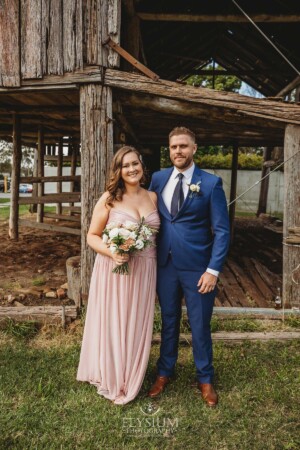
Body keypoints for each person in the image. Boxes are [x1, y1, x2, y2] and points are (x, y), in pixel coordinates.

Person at [148, 127, 230, 407]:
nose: (178, 151)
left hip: (198, 268)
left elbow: (222, 231)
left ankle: (205, 378)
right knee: (168, 320)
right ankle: (164, 372)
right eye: (173, 147)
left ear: (194, 148)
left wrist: (213, 270)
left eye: (183, 146)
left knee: (199, 325)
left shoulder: (210, 183)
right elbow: (148, 217)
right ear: (168, 149)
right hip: (165, 265)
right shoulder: (157, 179)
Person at [77, 146, 160, 405]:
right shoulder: (109, 198)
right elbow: (91, 235)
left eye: (135, 163)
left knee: (136, 321)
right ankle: (114, 376)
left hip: (145, 268)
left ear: (142, 166)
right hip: (115, 269)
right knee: (115, 319)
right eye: (126, 166)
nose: (132, 169)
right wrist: (113, 252)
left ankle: (132, 371)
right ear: (119, 171)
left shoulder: (154, 197)